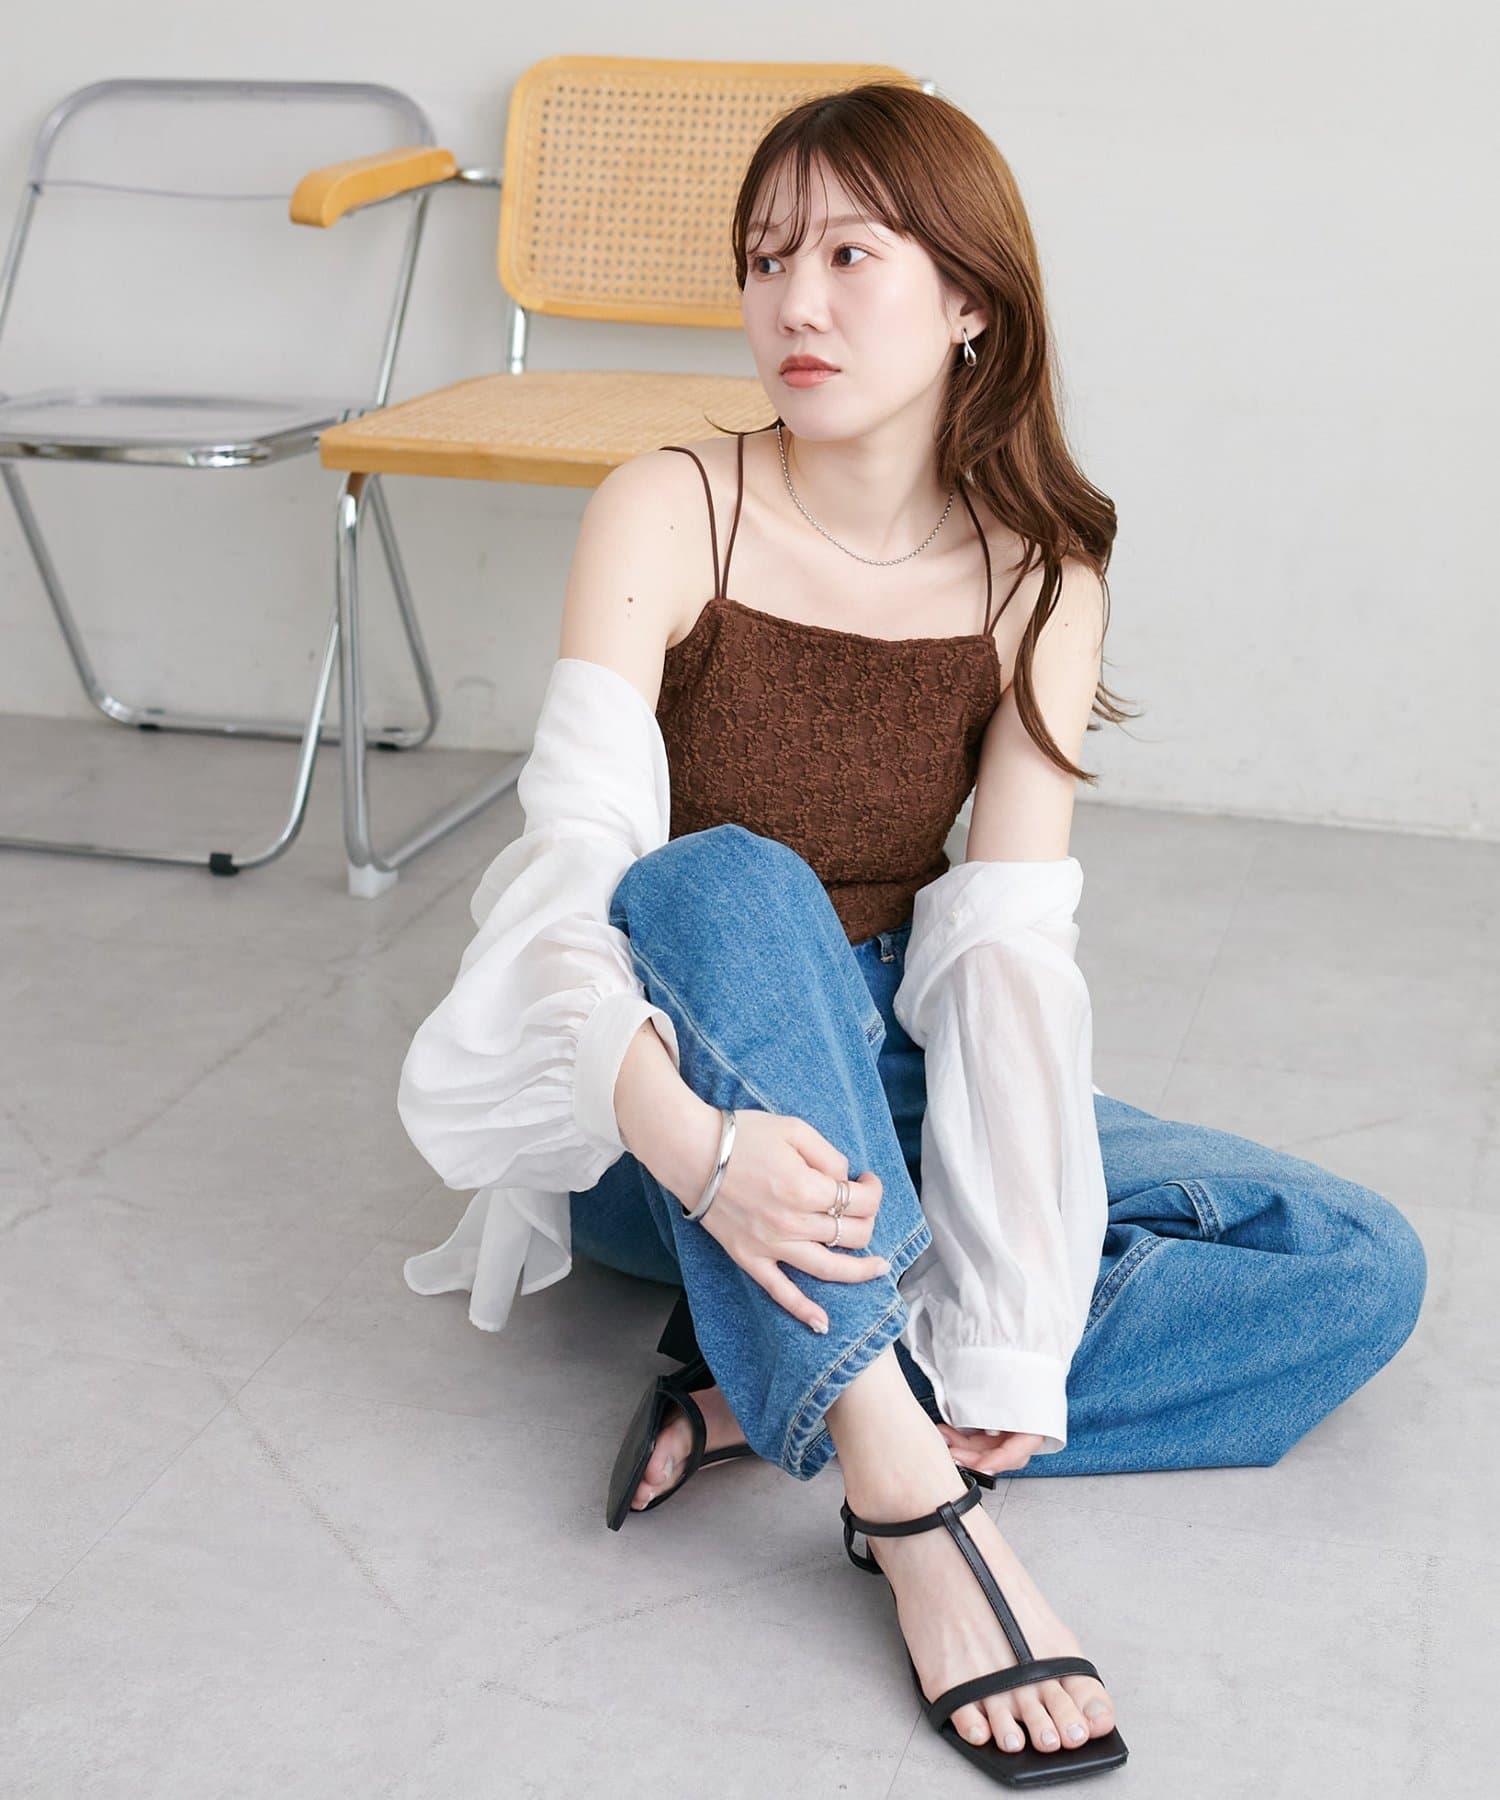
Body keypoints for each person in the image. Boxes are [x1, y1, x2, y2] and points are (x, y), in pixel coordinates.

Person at [396, 84, 1427, 1787]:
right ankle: (908, 1500)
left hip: (883, 1076)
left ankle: (776, 1390)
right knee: (727, 879)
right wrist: (695, 1143)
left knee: (1353, 1267)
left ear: (970, 299)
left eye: (849, 256)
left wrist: (1013, 1313)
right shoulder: (672, 504)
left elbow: (1006, 957)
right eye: (764, 260)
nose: (792, 303)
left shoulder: (1045, 570)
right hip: (664, 1107)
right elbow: (574, 879)